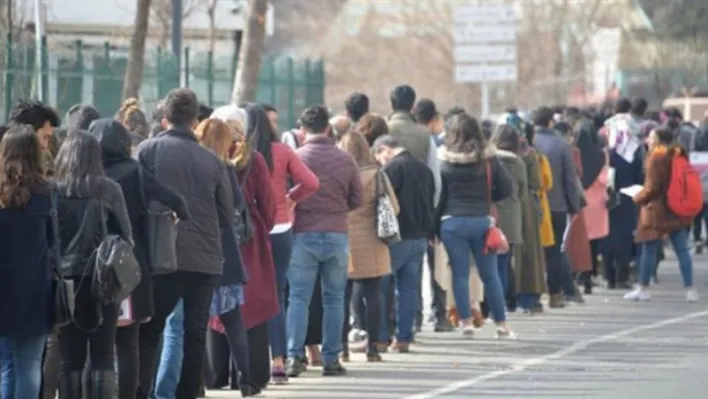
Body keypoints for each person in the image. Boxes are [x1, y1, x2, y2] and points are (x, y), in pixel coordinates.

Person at [135, 88, 234, 399]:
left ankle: (141, 392)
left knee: (149, 333)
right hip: (205, 260)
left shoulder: (148, 151)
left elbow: (137, 200)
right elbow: (226, 214)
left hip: (162, 256)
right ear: (195, 121)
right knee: (194, 333)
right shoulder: (212, 161)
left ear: (165, 118)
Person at [87, 118, 190, 398]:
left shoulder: (84, 175)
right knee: (128, 342)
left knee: (94, 343)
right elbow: (176, 201)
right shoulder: (136, 172)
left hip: (91, 268)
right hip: (129, 267)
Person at [243, 102, 319, 383]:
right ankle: (278, 360)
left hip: (250, 229)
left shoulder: (241, 153)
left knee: (246, 292)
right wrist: (290, 198)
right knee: (276, 294)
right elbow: (311, 182)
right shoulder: (283, 151)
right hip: (281, 226)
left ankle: (245, 361)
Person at [53, 130, 133, 398]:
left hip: (62, 281)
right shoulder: (108, 188)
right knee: (103, 352)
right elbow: (126, 235)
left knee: (69, 355)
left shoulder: (53, 189)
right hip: (104, 279)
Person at [285, 105, 363, 377]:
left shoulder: (296, 157)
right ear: (328, 128)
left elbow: (286, 195)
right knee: (334, 299)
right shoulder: (345, 159)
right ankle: (331, 359)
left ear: (303, 131)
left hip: (303, 234)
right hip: (336, 233)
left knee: (298, 298)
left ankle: (294, 356)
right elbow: (357, 199)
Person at [195, 117, 262, 396]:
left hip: (195, 248)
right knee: (233, 319)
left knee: (194, 321)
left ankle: (197, 383)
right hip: (223, 248)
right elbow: (235, 204)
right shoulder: (222, 167)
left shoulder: (191, 164)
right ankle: (246, 380)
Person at [434, 113, 515, 338]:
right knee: (490, 275)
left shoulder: (444, 161)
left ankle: (466, 323)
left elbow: (439, 197)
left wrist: (434, 228)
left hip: (452, 222)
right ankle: (501, 324)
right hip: (482, 221)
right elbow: (506, 189)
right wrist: (488, 197)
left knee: (459, 274)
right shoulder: (488, 160)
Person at [0, 125, 54, 399]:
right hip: (35, 289)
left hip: (3, 289)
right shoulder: (46, 193)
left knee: (6, 364)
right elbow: (55, 242)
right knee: (30, 364)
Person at [339, 131, 399, 362]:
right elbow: (393, 206)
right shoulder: (378, 175)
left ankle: (342, 347)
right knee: (374, 295)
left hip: (343, 237)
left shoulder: (339, 173)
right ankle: (374, 347)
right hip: (373, 239)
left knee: (341, 296)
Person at [373, 135, 435, 350]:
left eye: (380, 157)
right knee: (408, 289)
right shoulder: (424, 169)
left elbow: (383, 203)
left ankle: (380, 337)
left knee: (380, 286)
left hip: (397, 236)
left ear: (385, 149)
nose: (381, 161)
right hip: (420, 236)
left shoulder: (391, 170)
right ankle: (404, 338)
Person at [626, 127, 698, 302]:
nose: (648, 141)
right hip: (677, 208)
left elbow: (652, 188)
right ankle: (690, 289)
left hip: (656, 210)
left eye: (651, 137)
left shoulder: (656, 159)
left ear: (658, 140)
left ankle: (643, 288)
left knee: (649, 249)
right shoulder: (678, 155)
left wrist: (636, 197)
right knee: (682, 250)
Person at [532, 106, 583, 308]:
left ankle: (532, 295)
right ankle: (555, 294)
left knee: (532, 251)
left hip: (532, 205)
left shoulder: (527, 143)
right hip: (557, 205)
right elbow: (570, 179)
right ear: (550, 122)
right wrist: (574, 206)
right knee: (554, 251)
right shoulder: (561, 145)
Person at [412, 98, 450, 331]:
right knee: (437, 264)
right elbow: (436, 183)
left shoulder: (393, 136)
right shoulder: (431, 142)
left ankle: (414, 317)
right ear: (433, 119)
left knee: (411, 267)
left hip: (405, 212)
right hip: (430, 210)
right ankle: (439, 313)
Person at [490, 124, 527, 310]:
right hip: (512, 218)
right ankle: (501, 304)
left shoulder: (490, 160)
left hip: (491, 217)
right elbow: (522, 191)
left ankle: (489, 304)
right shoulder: (519, 163)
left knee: (489, 265)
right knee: (504, 264)